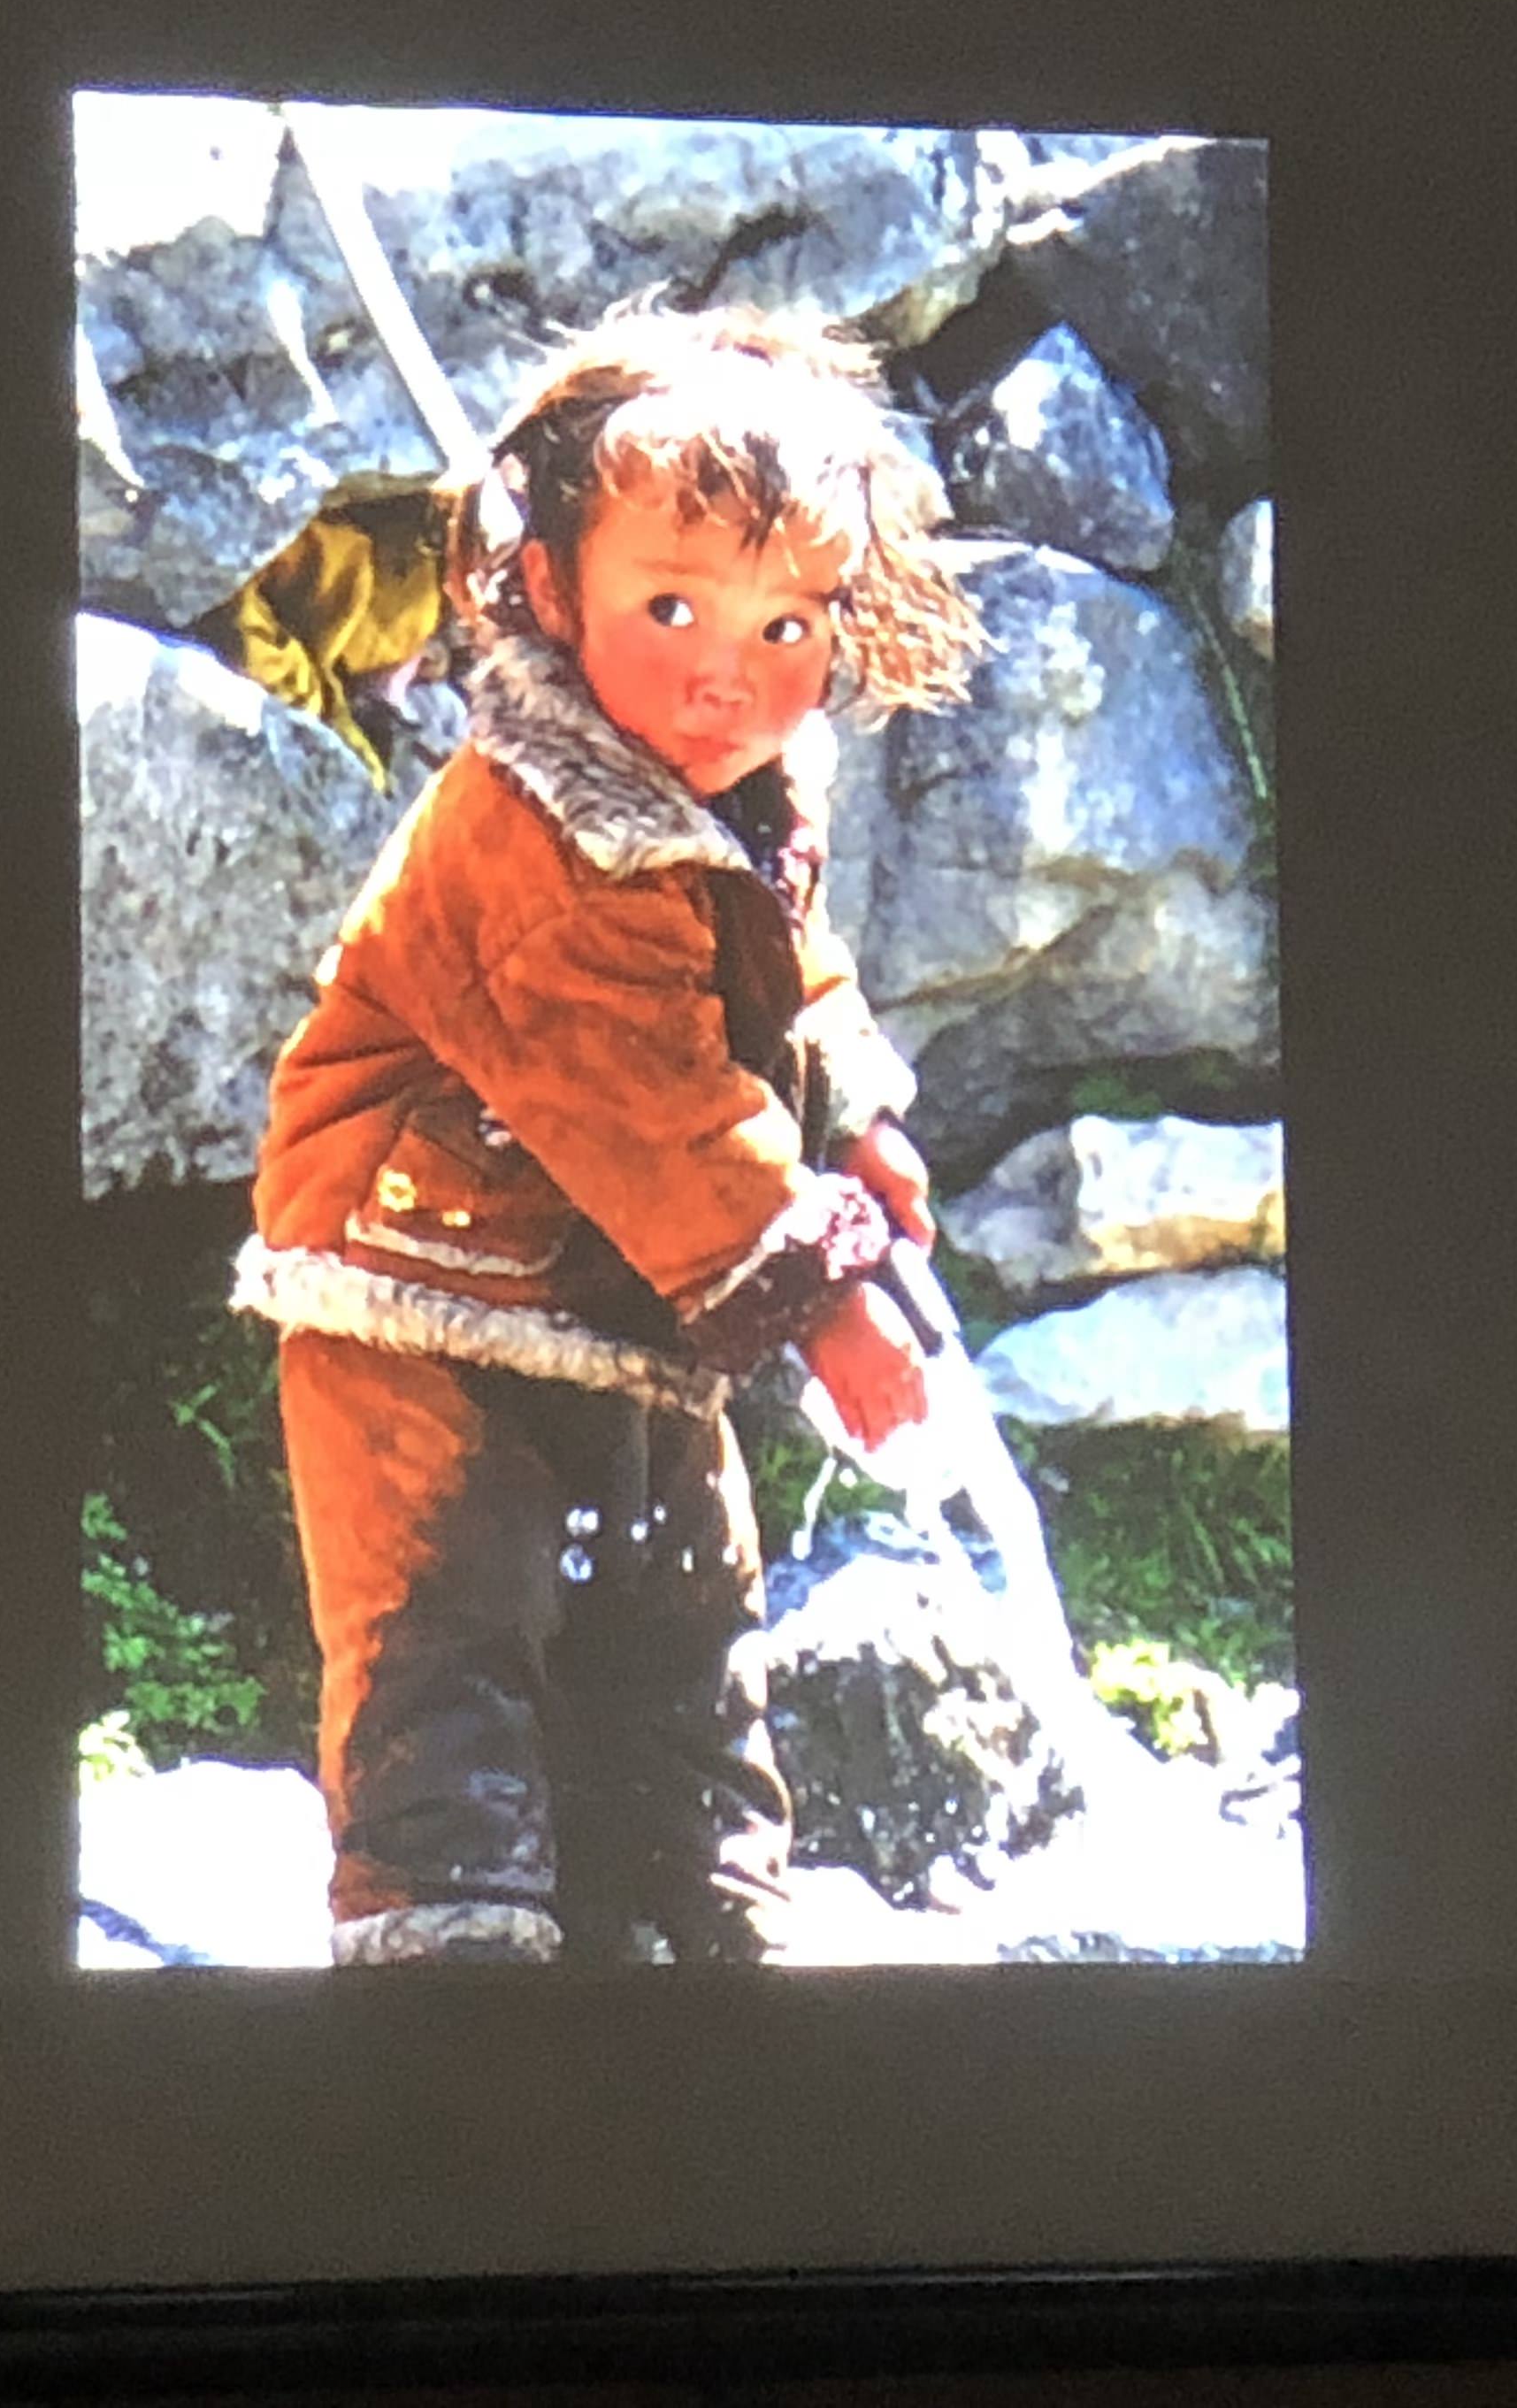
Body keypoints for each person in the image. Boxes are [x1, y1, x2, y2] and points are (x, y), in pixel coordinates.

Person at [231, 305, 985, 1965]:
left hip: (613, 1293)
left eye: (791, 622)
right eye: (672, 607)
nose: (733, 669)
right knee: (449, 1647)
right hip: (420, 1294)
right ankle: (455, 1953)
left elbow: (783, 973)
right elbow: (654, 1101)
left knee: (688, 1630)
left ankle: (704, 1918)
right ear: (550, 589)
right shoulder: (544, 829)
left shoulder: (729, 789)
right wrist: (828, 1297)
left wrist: (856, 1110)